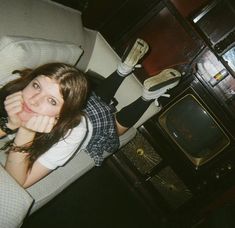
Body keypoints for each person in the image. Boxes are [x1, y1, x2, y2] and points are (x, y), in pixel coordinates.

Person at [0, 38, 181, 188]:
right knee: (97, 97)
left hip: (90, 124)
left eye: (51, 100)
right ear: (30, 79)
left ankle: (143, 92)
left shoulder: (74, 132)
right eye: (36, 85)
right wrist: (9, 124)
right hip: (82, 103)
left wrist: (26, 131)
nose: (33, 100)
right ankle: (132, 77)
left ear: (63, 113)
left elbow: (16, 184)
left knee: (115, 128)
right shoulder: (15, 85)